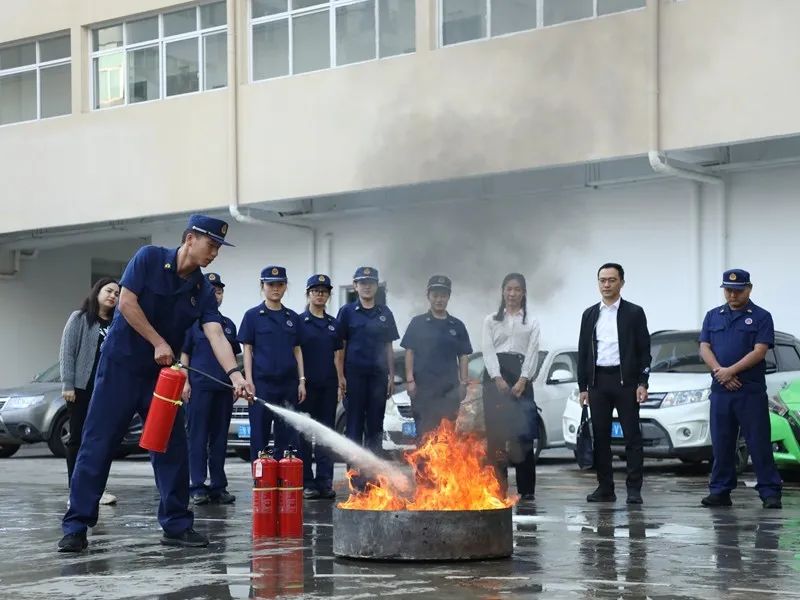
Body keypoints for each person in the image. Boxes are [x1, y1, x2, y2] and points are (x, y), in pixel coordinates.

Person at [58, 215, 251, 553]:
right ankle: (76, 526)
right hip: (120, 369)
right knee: (97, 444)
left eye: (219, 247)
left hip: (161, 379)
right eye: (211, 244)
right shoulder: (148, 258)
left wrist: (236, 375)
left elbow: (215, 332)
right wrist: (159, 342)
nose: (215, 253)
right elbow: (127, 302)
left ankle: (176, 524)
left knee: (170, 448)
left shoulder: (201, 289)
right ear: (190, 238)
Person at [699, 269, 782, 509]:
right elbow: (704, 347)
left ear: (749, 289)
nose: (732, 295)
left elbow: (759, 351)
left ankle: (769, 491)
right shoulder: (713, 316)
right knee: (722, 442)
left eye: (738, 290)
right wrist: (720, 372)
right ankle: (720, 490)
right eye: (728, 290)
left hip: (749, 391)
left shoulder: (761, 316)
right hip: (722, 390)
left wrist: (731, 371)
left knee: (758, 442)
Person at [577, 262, 651, 505]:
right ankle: (605, 487)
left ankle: (634, 489)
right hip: (598, 382)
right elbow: (583, 352)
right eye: (602, 280)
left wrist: (643, 381)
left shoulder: (634, 312)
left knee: (632, 437)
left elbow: (644, 350)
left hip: (626, 383)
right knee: (601, 438)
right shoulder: (590, 314)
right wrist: (583, 387)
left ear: (621, 282)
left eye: (611, 280)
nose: (606, 284)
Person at [180, 272, 241, 506]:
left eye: (219, 291)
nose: (216, 294)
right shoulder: (192, 324)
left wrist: (236, 382)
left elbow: (232, 357)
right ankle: (197, 486)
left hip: (223, 389)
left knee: (219, 439)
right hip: (199, 389)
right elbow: (184, 354)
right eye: (212, 290)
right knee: (197, 438)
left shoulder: (228, 325)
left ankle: (218, 486)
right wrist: (184, 381)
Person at [59, 277, 121, 506]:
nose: (113, 296)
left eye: (117, 293)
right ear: (97, 292)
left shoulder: (117, 323)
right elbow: (67, 353)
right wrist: (68, 384)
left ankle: (96, 489)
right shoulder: (80, 319)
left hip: (106, 390)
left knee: (100, 441)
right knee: (77, 440)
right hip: (82, 389)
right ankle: (75, 491)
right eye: (109, 291)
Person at [481, 272, 540, 501]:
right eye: (509, 289)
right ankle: (498, 488)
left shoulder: (532, 320)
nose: (513, 293)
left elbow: (533, 351)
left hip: (521, 372)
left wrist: (523, 380)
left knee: (523, 434)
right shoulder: (491, 320)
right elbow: (487, 350)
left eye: (517, 289)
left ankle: (526, 490)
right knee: (496, 435)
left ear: (523, 293)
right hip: (496, 375)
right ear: (503, 292)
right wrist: (497, 378)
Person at [238, 266, 306, 463]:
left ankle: (285, 482)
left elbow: (297, 350)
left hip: (288, 385)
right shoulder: (252, 316)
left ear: (285, 287)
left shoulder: (292, 317)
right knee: (259, 435)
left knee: (287, 437)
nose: (275, 288)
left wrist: (302, 381)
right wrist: (248, 380)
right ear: (262, 286)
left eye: (280, 284)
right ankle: (261, 483)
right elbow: (247, 349)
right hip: (262, 384)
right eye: (270, 284)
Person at [336, 267, 399, 461]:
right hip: (354, 378)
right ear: (355, 286)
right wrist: (340, 376)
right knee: (353, 427)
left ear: (376, 286)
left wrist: (391, 376)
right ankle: (355, 476)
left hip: (378, 378)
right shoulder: (346, 312)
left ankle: (374, 478)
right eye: (362, 283)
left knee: (375, 428)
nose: (367, 287)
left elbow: (389, 346)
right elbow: (340, 347)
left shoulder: (385, 312)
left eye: (370, 283)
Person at [400, 275, 472, 441]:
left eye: (443, 295)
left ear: (448, 297)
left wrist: (463, 382)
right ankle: (422, 468)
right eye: (435, 295)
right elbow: (409, 351)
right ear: (428, 296)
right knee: (424, 436)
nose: (439, 299)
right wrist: (410, 380)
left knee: (447, 436)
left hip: (449, 391)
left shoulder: (457, 325)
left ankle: (443, 468)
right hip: (423, 389)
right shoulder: (417, 323)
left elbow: (463, 356)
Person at [298, 274, 344, 500]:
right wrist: (300, 382)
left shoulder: (334, 324)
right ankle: (307, 482)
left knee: (326, 435)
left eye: (324, 291)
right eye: (316, 291)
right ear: (308, 294)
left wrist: (339, 382)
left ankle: (325, 481)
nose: (320, 295)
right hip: (307, 387)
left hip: (328, 386)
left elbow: (338, 356)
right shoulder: (299, 322)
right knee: (306, 435)